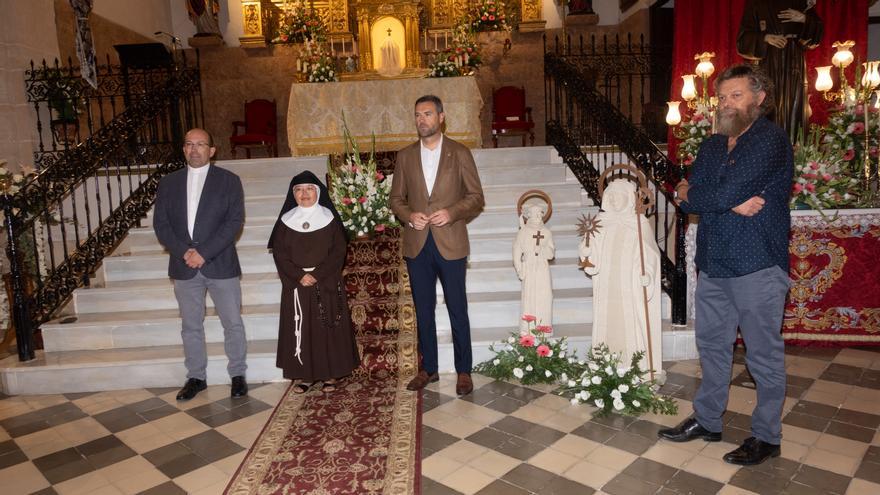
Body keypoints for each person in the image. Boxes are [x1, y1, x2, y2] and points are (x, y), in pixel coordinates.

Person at [658, 65, 793, 466]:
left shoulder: (770, 140)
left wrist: (705, 194)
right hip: (714, 263)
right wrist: (723, 198)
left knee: (762, 356)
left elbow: (698, 194)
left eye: (735, 95)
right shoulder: (715, 143)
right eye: (722, 97)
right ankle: (707, 420)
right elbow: (684, 191)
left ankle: (767, 437)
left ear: (759, 98)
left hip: (757, 265)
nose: (726, 103)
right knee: (712, 348)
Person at [390, 95, 485, 395]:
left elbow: (476, 197)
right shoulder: (405, 156)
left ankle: (464, 371)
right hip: (418, 244)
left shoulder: (459, 153)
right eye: (418, 115)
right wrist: (409, 215)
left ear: (441, 117)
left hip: (451, 242)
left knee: (458, 308)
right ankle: (428, 367)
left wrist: (452, 212)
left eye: (428, 114)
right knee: (423, 309)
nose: (422, 120)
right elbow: (395, 200)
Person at [153, 128, 248, 401]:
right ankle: (196, 377)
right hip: (184, 266)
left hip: (220, 263)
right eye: (189, 144)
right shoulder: (168, 183)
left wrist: (203, 253)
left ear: (212, 150)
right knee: (191, 326)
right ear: (183, 149)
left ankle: (238, 375)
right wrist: (185, 251)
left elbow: (234, 223)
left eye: (200, 144)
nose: (194, 149)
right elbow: (161, 224)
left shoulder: (229, 181)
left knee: (232, 322)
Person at [268, 171, 360, 393]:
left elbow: (339, 252)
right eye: (298, 190)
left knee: (326, 329)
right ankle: (305, 375)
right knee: (303, 329)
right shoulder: (285, 221)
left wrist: (317, 274)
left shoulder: (329, 218)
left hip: (325, 283)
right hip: (297, 286)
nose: (304, 194)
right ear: (293, 195)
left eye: (309, 188)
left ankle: (330, 375)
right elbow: (280, 254)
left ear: (317, 192)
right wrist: (299, 275)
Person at [579, 179, 661, 375]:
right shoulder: (600, 222)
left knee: (630, 324)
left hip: (629, 286)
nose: (615, 200)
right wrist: (587, 253)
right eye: (611, 196)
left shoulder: (639, 223)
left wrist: (647, 274)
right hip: (607, 284)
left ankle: (635, 367)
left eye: (619, 196)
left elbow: (650, 255)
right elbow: (590, 255)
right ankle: (605, 367)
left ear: (629, 199)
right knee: (607, 322)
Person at [737, 0, 823, 143]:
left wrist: (803, 18)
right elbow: (742, 41)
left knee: (794, 108)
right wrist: (765, 38)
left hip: (794, 64)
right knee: (769, 106)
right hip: (767, 63)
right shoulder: (755, 3)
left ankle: (795, 148)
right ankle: (766, 150)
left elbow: (815, 37)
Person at [513, 205, 555, 332]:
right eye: (534, 213)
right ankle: (528, 328)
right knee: (529, 297)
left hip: (542, 268)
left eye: (539, 214)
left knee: (545, 296)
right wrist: (520, 269)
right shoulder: (523, 232)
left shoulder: (547, 232)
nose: (537, 216)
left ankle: (544, 327)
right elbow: (516, 251)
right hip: (529, 267)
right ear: (529, 215)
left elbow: (551, 253)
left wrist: (542, 250)